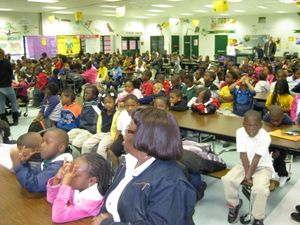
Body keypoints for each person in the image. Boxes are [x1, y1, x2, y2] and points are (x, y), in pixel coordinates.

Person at [92, 107, 197, 225]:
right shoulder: (129, 162)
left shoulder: (171, 182)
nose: (123, 133)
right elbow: (111, 205)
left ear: (143, 138)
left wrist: (107, 223)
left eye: (128, 129)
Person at [222, 110, 273, 225]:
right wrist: (247, 173)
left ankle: (258, 217)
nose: (251, 129)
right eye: (248, 125)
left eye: (255, 126)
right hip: (244, 164)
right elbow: (243, 155)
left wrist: (248, 175)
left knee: (259, 189)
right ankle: (234, 205)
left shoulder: (265, 136)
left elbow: (256, 159)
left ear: (260, 125)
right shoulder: (240, 132)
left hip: (262, 166)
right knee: (227, 179)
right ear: (243, 124)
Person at [47, 153, 111, 223]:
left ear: (91, 181)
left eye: (76, 175)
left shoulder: (92, 201)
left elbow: (58, 216)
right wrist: (57, 179)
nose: (69, 176)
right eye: (70, 170)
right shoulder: (78, 187)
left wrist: (65, 185)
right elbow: (52, 200)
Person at [10, 128, 73, 192]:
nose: (41, 145)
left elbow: (34, 186)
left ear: (61, 148)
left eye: (47, 142)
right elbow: (34, 176)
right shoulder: (49, 160)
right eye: (42, 142)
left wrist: (17, 164)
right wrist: (24, 162)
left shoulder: (58, 167)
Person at [107, 94, 140, 170]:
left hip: (135, 139)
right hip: (123, 138)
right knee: (111, 152)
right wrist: (114, 141)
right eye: (127, 106)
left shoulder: (141, 116)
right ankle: (118, 171)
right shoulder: (122, 114)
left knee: (131, 157)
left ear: (138, 105)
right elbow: (119, 130)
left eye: (133, 105)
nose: (130, 108)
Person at [263, 105, 293, 187]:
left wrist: (278, 150)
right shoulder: (267, 117)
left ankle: (284, 175)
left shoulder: (288, 120)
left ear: (282, 117)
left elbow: (289, 136)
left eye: (278, 121)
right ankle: (270, 171)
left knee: (279, 158)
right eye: (273, 120)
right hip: (270, 141)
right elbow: (264, 128)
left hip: (283, 143)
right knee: (262, 155)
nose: (275, 123)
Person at [81, 90, 117, 158]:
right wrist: (103, 93)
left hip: (109, 135)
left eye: (110, 102)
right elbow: (100, 101)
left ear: (115, 103)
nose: (107, 104)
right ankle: (86, 160)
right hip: (100, 133)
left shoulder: (117, 113)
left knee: (100, 149)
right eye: (105, 102)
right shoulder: (103, 111)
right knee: (86, 145)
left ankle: (102, 165)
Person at [67, 85, 99, 149]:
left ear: (94, 96)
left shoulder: (97, 106)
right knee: (65, 137)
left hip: (90, 131)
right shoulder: (85, 104)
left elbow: (103, 99)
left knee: (76, 143)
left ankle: (77, 156)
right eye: (85, 93)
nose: (85, 95)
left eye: (88, 93)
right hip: (81, 129)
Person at [0, 48, 19, 126]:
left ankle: (5, 121)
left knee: (1, 103)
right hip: (7, 85)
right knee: (13, 102)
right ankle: (15, 120)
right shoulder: (7, 62)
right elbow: (11, 73)